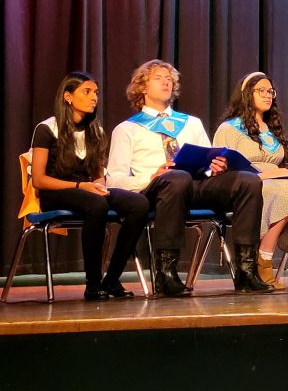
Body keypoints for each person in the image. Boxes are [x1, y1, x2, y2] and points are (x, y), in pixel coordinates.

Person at [107, 60, 272, 296]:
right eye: (158, 78)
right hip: (157, 191)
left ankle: (246, 271)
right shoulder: (127, 129)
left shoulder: (190, 123)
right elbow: (115, 180)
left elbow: (207, 159)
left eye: (169, 78)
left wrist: (213, 167)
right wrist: (151, 175)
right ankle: (166, 274)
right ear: (142, 87)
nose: (166, 81)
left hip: (194, 186)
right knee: (176, 178)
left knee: (248, 181)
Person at [30, 72, 149, 301]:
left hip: (87, 191)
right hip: (55, 192)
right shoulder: (46, 129)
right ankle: (93, 284)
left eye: (95, 92)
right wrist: (81, 186)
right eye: (87, 92)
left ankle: (112, 279)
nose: (94, 97)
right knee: (96, 204)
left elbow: (97, 175)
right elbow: (39, 180)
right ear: (68, 97)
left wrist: (98, 184)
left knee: (139, 203)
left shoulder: (95, 131)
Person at [213, 72, 288, 289]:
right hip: (248, 186)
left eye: (270, 92)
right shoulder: (229, 129)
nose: (268, 96)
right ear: (247, 94)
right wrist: (272, 174)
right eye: (261, 91)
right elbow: (221, 169)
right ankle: (264, 260)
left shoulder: (273, 129)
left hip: (280, 180)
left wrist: (284, 173)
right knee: (282, 190)